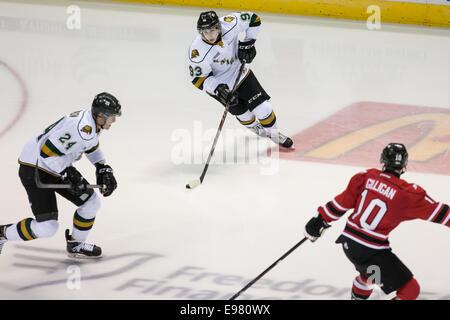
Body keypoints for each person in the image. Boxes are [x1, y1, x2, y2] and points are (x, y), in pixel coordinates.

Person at [304, 143, 449, 300]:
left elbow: (342, 203)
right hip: (372, 251)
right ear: (404, 165)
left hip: (350, 245)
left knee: (369, 275)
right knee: (410, 290)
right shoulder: (408, 194)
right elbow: (442, 214)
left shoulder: (365, 177)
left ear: (383, 160)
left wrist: (320, 220)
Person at [0, 92, 121, 258]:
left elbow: (91, 146)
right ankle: (2, 234)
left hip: (55, 165)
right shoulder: (80, 129)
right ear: (101, 115)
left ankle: (76, 245)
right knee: (47, 227)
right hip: (35, 169)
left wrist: (102, 167)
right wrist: (67, 175)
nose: (113, 121)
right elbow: (46, 153)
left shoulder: (91, 124)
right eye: (112, 117)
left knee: (91, 204)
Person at [188, 10, 293, 148]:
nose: (210, 35)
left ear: (219, 26)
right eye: (205, 32)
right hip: (222, 86)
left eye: (213, 30)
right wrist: (218, 88)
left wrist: (249, 43)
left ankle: (274, 134)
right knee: (244, 115)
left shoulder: (230, 23)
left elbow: (254, 19)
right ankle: (256, 128)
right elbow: (199, 79)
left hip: (241, 72)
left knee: (264, 109)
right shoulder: (197, 51)